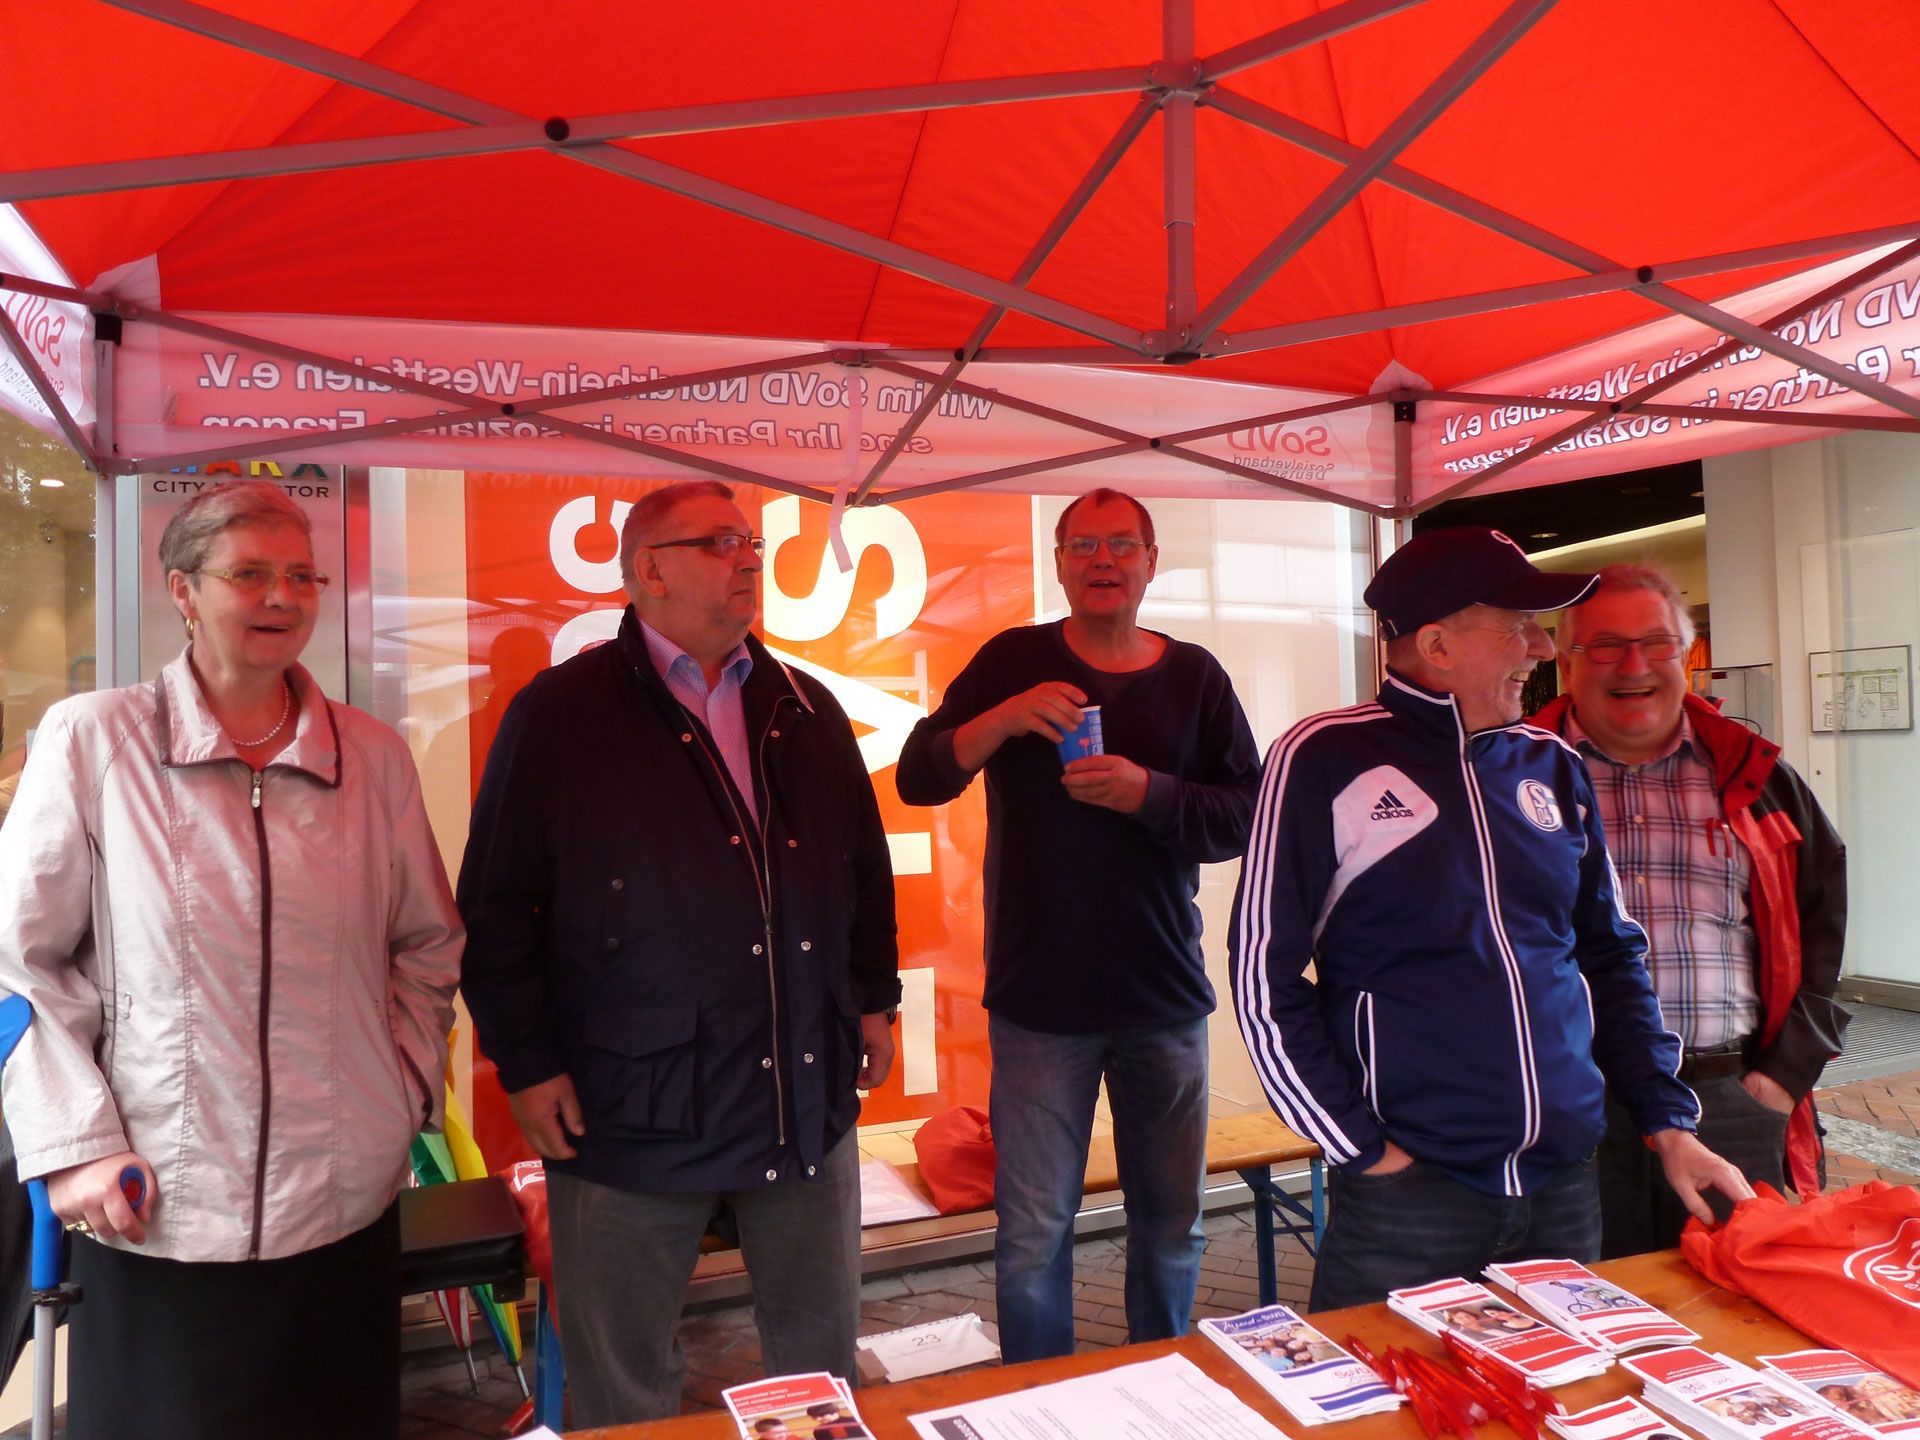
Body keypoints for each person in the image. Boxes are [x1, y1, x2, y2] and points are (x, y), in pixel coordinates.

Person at [0, 480, 462, 1440]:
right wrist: (76, 1146)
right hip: (155, 1207)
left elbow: (426, 943)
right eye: (249, 574)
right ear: (182, 589)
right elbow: (21, 966)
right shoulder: (95, 742)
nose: (281, 597)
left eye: (301, 575)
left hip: (342, 1206)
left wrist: (402, 1094)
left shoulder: (371, 757)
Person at [458, 479, 900, 1426]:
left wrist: (873, 995)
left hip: (801, 1094)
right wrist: (527, 1065)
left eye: (749, 541)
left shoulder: (802, 705)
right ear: (648, 571)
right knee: (623, 1387)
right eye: (722, 542)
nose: (751, 558)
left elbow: (862, 867)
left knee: (820, 1376)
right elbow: (496, 909)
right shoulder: (561, 715)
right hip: (632, 1108)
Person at [1230, 526, 1750, 1312]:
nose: (1542, 647)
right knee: (1384, 1423)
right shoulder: (1323, 757)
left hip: (1564, 1185)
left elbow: (1610, 957)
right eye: (1519, 625)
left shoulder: (1552, 765)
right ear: (1437, 645)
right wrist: (1360, 1149)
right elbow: (1261, 977)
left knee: (1552, 1413)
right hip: (1411, 1195)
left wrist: (1669, 1121)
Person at [896, 487, 1261, 1361]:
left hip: (1163, 996)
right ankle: (1034, 1404)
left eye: (1122, 546)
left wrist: (1151, 794)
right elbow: (919, 776)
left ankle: (1163, 1389)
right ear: (1059, 563)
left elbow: (1250, 814)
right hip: (1038, 1002)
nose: (1104, 561)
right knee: (1031, 1237)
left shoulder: (1195, 675)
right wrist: (1002, 718)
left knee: (1172, 1228)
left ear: (1149, 562)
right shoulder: (1010, 659)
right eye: (1085, 545)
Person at [1532, 563, 1848, 1255]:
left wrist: (1779, 1081)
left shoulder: (1759, 779)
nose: (1634, 664)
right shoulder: (1512, 782)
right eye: (1606, 644)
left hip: (1730, 1102)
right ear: (1565, 659)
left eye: (1657, 643)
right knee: (1588, 1316)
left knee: (1742, 1318)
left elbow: (1822, 935)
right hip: (1573, 1110)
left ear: (1687, 654)